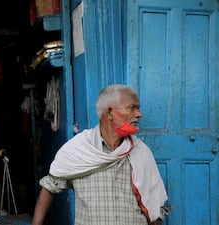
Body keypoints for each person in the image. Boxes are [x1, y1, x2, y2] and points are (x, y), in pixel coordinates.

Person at [31, 84, 170, 225]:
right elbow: (49, 186)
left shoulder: (141, 151)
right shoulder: (79, 149)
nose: (138, 114)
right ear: (110, 112)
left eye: (138, 108)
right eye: (132, 108)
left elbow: (155, 206)